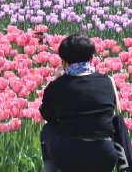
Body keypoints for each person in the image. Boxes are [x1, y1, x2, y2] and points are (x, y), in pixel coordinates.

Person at [39, 33, 121, 172]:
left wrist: (58, 80)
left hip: (69, 156)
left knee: (48, 129)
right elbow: (117, 112)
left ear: (63, 62)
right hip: (105, 154)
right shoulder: (108, 80)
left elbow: (47, 116)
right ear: (91, 58)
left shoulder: (57, 86)